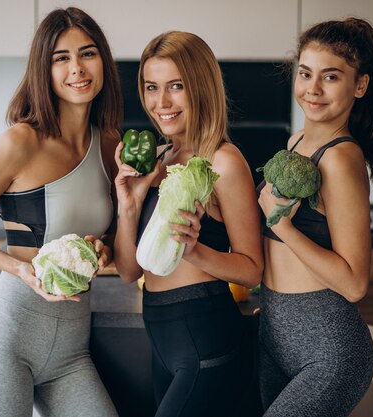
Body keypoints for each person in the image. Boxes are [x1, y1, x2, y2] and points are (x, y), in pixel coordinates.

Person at [0, 7, 122, 417]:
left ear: (103, 61)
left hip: (71, 353)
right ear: (45, 68)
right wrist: (18, 268)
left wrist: (103, 249)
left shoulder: (109, 143)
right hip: (6, 341)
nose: (77, 68)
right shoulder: (21, 142)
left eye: (87, 54)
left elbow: (109, 234)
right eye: (61, 58)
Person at [257, 17, 373, 417]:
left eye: (331, 77)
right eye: (306, 74)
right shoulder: (296, 143)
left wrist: (282, 225)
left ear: (360, 85)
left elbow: (355, 283)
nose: (313, 89)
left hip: (329, 348)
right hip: (276, 330)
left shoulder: (340, 159)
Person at [113, 31, 264, 417]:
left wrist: (195, 250)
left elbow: (251, 270)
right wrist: (127, 205)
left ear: (200, 88)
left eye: (175, 86)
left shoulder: (224, 161)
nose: (161, 102)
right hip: (162, 342)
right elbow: (130, 271)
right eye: (151, 87)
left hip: (206, 343)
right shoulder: (158, 157)